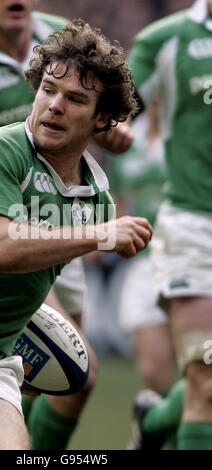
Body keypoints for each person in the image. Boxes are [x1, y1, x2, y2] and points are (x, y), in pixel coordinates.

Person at [0, 19, 152, 450]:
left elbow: (28, 286)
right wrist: (98, 235)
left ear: (102, 120)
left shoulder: (95, 196)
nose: (55, 105)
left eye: (75, 99)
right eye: (47, 90)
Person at [127, 0, 212, 450]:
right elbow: (119, 108)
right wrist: (115, 125)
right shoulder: (167, 38)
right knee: (205, 378)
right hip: (195, 228)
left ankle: (154, 421)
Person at [109, 99, 176, 394]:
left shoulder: (194, 133)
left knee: (199, 367)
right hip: (147, 261)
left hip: (193, 253)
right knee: (152, 373)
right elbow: (120, 201)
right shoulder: (127, 142)